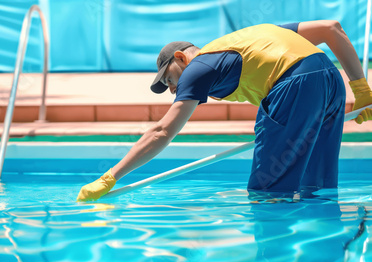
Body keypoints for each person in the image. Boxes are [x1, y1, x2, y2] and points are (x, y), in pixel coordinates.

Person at [77, 20, 372, 202]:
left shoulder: (198, 67)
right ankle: (322, 254)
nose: (172, 89)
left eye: (169, 79)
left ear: (181, 57)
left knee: (267, 192)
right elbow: (332, 29)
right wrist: (361, 88)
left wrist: (111, 176)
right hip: (330, 79)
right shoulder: (257, 34)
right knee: (316, 185)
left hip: (294, 85)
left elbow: (163, 131)